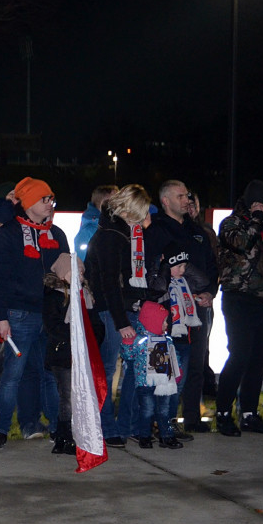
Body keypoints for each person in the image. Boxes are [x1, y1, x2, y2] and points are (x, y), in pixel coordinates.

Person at [0, 176, 68, 449]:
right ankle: (0, 431)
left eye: (51, 199)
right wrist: (1, 318)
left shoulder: (56, 235)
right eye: (44, 199)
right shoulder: (7, 234)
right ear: (29, 203)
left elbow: (65, 275)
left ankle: (59, 429)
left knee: (50, 374)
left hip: (50, 316)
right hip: (19, 314)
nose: (50, 204)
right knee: (13, 374)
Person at [143, 180, 217, 435]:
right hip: (170, 311)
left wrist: (210, 292)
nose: (187, 199)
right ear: (165, 201)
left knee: (195, 363)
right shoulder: (156, 231)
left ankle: (191, 418)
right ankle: (157, 421)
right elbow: (152, 271)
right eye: (181, 195)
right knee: (166, 367)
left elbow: (211, 266)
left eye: (188, 195)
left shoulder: (197, 232)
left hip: (199, 308)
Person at [85, 184, 153, 446]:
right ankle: (108, 427)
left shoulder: (125, 234)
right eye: (142, 211)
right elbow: (109, 283)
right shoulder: (111, 236)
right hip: (111, 312)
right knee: (107, 370)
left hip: (123, 310)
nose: (145, 218)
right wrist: (121, 321)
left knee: (132, 371)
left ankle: (125, 426)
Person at [214, 180, 263, 437]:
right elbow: (241, 243)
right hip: (239, 300)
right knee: (239, 355)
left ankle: (249, 413)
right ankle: (222, 413)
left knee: (258, 360)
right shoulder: (232, 224)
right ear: (257, 205)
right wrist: (255, 220)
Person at [43, 252, 102, 455]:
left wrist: (93, 339)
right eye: (75, 273)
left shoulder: (86, 296)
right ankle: (64, 436)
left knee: (80, 395)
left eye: (82, 273)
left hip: (82, 355)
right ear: (63, 274)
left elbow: (96, 324)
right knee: (67, 396)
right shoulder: (54, 296)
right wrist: (75, 336)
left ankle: (74, 435)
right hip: (63, 355)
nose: (81, 277)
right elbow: (53, 326)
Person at [120, 300, 184, 449]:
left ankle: (166, 436)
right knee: (147, 409)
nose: (166, 325)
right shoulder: (140, 340)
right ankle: (144, 436)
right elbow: (128, 355)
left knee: (164, 410)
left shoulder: (167, 339)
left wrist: (177, 370)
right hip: (145, 382)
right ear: (152, 322)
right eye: (163, 322)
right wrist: (127, 343)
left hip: (165, 382)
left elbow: (174, 356)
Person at [73, 185, 118, 261]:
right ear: (101, 203)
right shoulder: (88, 231)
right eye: (113, 202)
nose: (117, 206)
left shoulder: (117, 227)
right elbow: (82, 262)